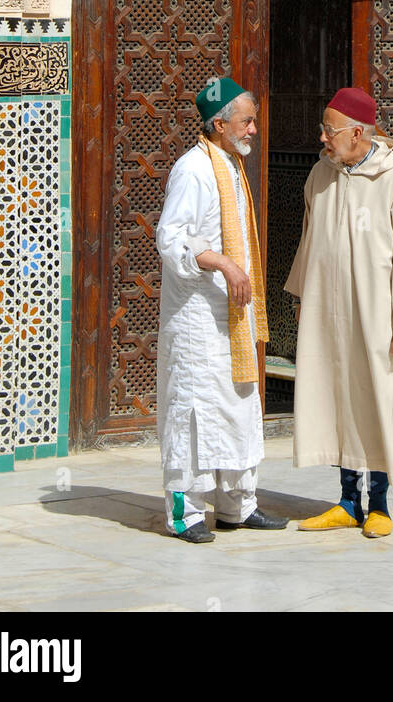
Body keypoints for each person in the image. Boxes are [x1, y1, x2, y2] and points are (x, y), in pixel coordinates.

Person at [285, 86, 393, 538]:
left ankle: (380, 504)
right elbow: (310, 240)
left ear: (357, 132)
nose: (323, 139)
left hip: (378, 317)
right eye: (322, 131)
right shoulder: (320, 176)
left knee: (377, 402)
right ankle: (348, 501)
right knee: (336, 398)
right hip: (328, 312)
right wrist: (301, 296)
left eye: (329, 132)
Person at [155, 77, 288, 542]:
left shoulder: (230, 166)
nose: (253, 130)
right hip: (197, 319)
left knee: (236, 403)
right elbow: (171, 240)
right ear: (219, 124)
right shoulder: (193, 169)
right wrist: (223, 263)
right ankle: (184, 512)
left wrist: (236, 271)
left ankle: (237, 505)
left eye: (253, 121)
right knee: (192, 411)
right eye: (246, 121)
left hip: (232, 315)